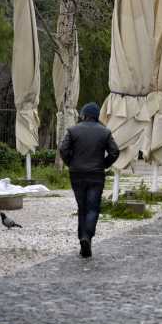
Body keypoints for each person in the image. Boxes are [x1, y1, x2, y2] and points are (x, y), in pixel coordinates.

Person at [58, 102, 120, 258]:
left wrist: (70, 163)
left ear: (84, 115)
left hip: (76, 174)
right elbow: (115, 152)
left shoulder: (73, 131)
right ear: (97, 116)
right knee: (93, 208)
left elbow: (63, 149)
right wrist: (104, 164)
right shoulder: (105, 132)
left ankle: (83, 240)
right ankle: (87, 237)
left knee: (82, 207)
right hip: (96, 174)